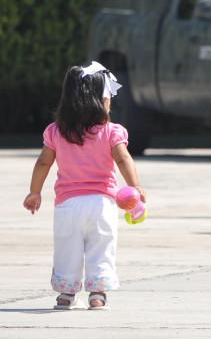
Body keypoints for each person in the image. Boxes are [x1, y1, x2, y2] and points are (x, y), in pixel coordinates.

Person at [22, 62, 145, 310]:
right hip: (102, 204)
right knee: (101, 247)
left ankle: (66, 295)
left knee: (68, 248)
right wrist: (136, 187)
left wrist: (34, 191)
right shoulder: (111, 132)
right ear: (101, 102)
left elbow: (44, 161)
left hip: (67, 205)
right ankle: (97, 294)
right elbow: (123, 159)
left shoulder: (56, 131)